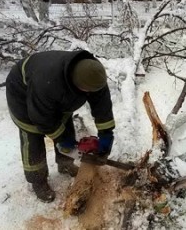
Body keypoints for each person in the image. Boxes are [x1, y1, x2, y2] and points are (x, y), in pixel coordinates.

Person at [6, 50, 115, 202]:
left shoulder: (93, 75)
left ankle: (64, 164)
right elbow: (41, 117)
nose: (91, 93)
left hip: (52, 91)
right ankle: (38, 180)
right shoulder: (47, 82)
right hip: (22, 93)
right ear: (75, 84)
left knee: (65, 124)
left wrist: (106, 133)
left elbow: (102, 105)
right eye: (87, 91)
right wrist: (60, 138)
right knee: (32, 135)